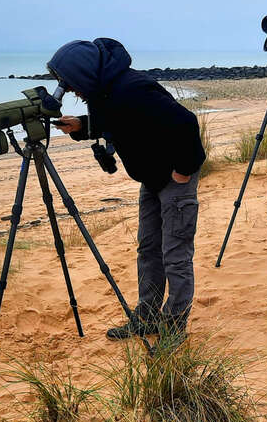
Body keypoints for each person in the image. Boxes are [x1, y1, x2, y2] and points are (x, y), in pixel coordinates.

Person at [48, 38, 206, 340]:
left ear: (84, 73)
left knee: (175, 255)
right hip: (151, 177)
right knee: (148, 249)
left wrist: (183, 172)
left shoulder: (133, 88)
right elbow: (118, 121)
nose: (74, 92)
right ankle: (146, 319)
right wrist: (82, 125)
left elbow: (186, 123)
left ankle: (174, 329)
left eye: (73, 85)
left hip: (174, 177)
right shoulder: (104, 91)